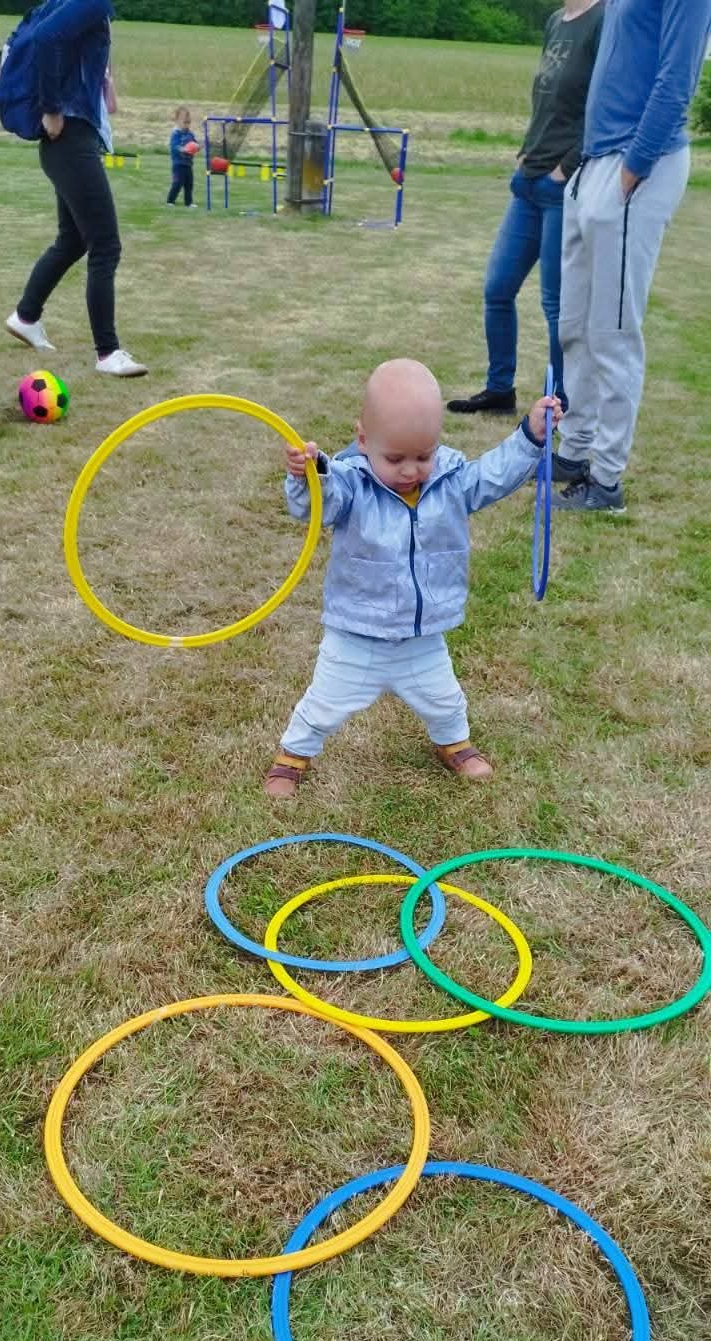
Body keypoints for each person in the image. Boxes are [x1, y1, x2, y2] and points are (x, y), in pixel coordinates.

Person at [263, 360, 561, 798]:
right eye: (395, 458)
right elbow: (318, 506)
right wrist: (310, 474)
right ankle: (294, 754)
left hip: (422, 636)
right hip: (357, 632)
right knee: (324, 703)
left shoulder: (450, 479)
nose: (410, 471)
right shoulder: (350, 482)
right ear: (363, 439)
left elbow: (493, 475)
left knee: (445, 699)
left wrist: (531, 436)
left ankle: (453, 743)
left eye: (424, 456)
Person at [552, 0, 711, 513]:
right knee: (575, 325)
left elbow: (677, 77)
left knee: (613, 332)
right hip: (596, 162)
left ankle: (606, 481)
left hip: (637, 164)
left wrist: (633, 167)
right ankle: (574, 452)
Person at [448, 1, 604, 419]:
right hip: (529, 181)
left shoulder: (603, 20)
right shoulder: (556, 21)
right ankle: (500, 389)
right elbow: (547, 103)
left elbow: (601, 108)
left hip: (562, 186)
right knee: (498, 288)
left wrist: (564, 168)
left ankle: (560, 404)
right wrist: (526, 157)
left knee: (556, 305)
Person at [5, 0, 147, 378]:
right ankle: (108, 352)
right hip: (70, 138)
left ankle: (25, 316)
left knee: (73, 240)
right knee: (105, 244)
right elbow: (46, 37)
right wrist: (51, 108)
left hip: (69, 141)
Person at [167, 106, 199, 209]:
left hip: (188, 164)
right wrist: (183, 149)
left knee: (189, 184)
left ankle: (188, 202)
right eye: (185, 122)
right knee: (177, 183)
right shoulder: (176, 134)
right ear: (177, 121)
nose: (187, 125)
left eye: (189, 122)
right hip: (178, 164)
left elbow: (195, 144)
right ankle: (170, 200)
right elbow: (174, 146)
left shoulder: (190, 134)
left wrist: (197, 147)